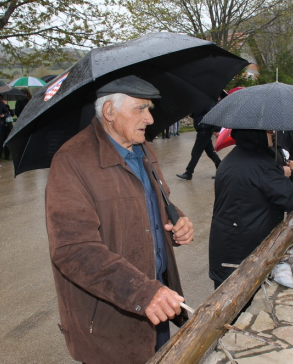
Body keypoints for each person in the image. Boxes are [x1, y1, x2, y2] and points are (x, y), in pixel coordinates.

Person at [45, 75, 194, 364]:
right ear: (109, 112)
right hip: (112, 317)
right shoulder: (71, 160)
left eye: (150, 109)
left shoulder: (144, 149)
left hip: (156, 302)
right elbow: (73, 249)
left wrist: (179, 220)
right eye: (141, 109)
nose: (150, 119)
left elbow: (152, 202)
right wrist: (142, 291)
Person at [209, 129, 293, 288]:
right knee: (239, 297)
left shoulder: (234, 158)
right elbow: (292, 198)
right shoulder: (262, 165)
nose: (272, 133)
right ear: (255, 134)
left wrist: (278, 170)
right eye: (268, 131)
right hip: (244, 247)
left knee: (226, 291)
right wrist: (281, 173)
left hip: (226, 242)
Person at [176, 104, 221, 180]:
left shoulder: (207, 103)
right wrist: (192, 114)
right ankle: (221, 170)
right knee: (211, 152)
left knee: (195, 152)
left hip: (205, 130)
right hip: (203, 130)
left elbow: (214, 114)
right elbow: (199, 116)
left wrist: (217, 129)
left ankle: (188, 173)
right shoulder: (201, 103)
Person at [0, 94, 15, 160]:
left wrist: (8, 111)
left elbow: (12, 114)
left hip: (8, 126)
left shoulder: (6, 106)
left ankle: (7, 155)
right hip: (1, 127)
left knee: (8, 141)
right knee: (0, 142)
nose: (0, 100)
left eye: (1, 99)